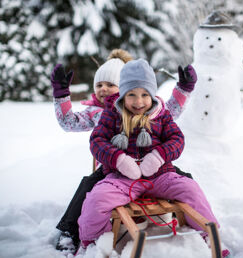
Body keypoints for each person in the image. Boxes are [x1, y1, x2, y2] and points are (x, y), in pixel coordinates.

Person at [50, 49, 196, 253]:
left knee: (185, 179)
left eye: (110, 85)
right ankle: (69, 231)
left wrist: (183, 89)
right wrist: (62, 95)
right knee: (88, 186)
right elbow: (69, 122)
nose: (103, 89)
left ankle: (186, 218)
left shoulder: (144, 105)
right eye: (99, 85)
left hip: (151, 167)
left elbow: (170, 111)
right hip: (112, 169)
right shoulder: (97, 113)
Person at [78, 59, 227, 256]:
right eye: (131, 95)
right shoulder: (112, 114)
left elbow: (177, 139)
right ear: (122, 95)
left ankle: (208, 234)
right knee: (97, 199)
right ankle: (93, 242)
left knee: (190, 189)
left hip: (160, 176)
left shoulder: (161, 114)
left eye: (144, 95)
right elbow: (97, 141)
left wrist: (158, 156)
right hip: (122, 179)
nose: (138, 102)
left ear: (152, 95)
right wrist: (119, 160)